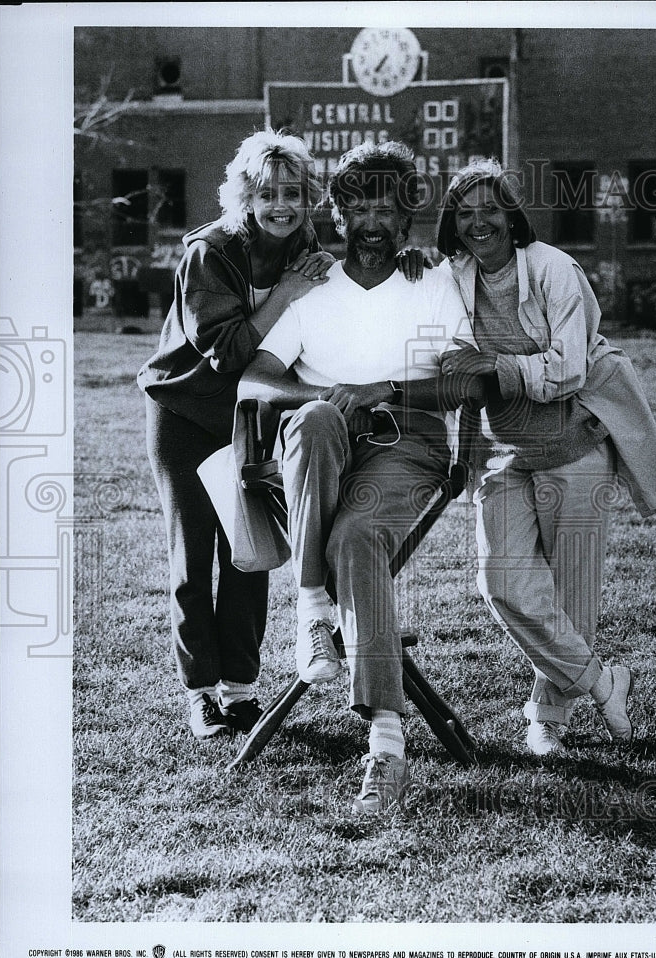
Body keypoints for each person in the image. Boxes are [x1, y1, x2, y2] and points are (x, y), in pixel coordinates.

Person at [238, 140, 481, 813]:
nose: (373, 222)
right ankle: (315, 610)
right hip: (322, 442)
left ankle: (386, 747)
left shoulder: (430, 281)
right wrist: (328, 394)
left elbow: (465, 380)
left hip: (409, 443)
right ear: (339, 215)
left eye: (388, 209)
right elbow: (255, 376)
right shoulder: (314, 284)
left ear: (407, 220)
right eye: (359, 208)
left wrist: (382, 391)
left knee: (357, 540)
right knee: (314, 418)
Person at [434, 158, 656, 756]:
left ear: (513, 216)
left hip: (576, 444)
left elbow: (567, 369)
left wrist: (493, 367)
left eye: (490, 208)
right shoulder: (452, 276)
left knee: (572, 593)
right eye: (465, 213)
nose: (478, 222)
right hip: (507, 451)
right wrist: (463, 450)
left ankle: (548, 719)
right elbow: (454, 368)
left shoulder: (554, 269)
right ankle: (602, 681)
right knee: (503, 583)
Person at [137, 129, 336, 740]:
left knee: (249, 553)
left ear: (309, 199)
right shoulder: (210, 250)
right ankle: (200, 694)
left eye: (294, 194)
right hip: (186, 412)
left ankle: (241, 692)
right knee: (194, 557)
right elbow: (226, 354)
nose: (282, 206)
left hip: (252, 417)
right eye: (268, 193)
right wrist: (287, 294)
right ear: (244, 197)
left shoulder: (306, 247)